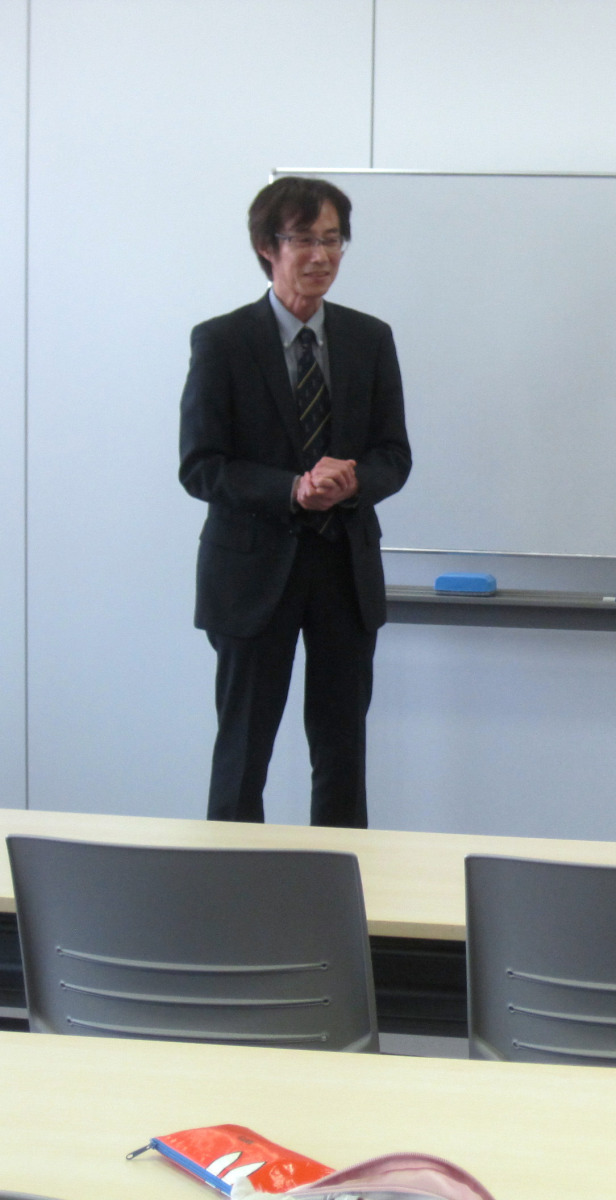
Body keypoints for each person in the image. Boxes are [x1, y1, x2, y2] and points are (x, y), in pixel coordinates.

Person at [179, 176, 412, 827]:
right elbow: (201, 467)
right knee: (243, 754)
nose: (321, 256)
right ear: (267, 246)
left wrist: (351, 482)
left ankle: (343, 884)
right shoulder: (222, 341)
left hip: (343, 569)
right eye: (305, 240)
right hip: (252, 573)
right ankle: (232, 886)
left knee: (342, 754)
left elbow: (393, 455)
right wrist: (292, 489)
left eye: (333, 240)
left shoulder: (369, 339)